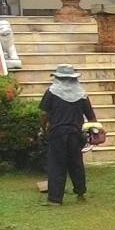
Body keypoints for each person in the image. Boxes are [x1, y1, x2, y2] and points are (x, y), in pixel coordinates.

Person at [39, 65, 97, 206]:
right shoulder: (82, 94)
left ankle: (55, 199)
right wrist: (95, 131)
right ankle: (80, 193)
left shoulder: (52, 92)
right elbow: (91, 117)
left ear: (58, 78)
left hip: (57, 134)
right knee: (76, 163)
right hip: (76, 134)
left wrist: (42, 128)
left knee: (57, 165)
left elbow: (44, 114)